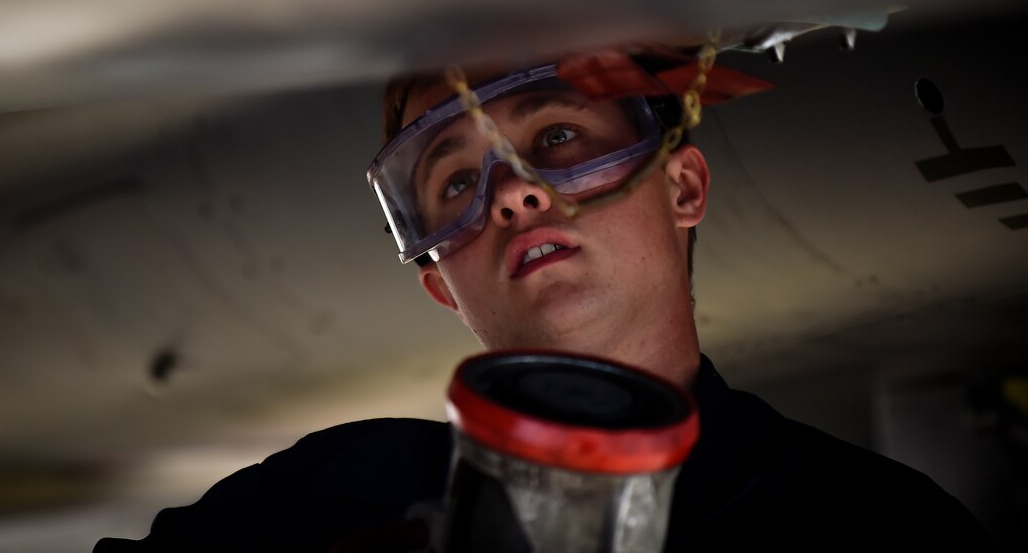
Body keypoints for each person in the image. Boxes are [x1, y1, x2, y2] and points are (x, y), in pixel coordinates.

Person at [95, 48, 994, 552]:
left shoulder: (873, 532)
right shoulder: (326, 501)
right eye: (455, 184)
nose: (517, 193)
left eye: (558, 135)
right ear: (441, 281)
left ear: (683, 187)